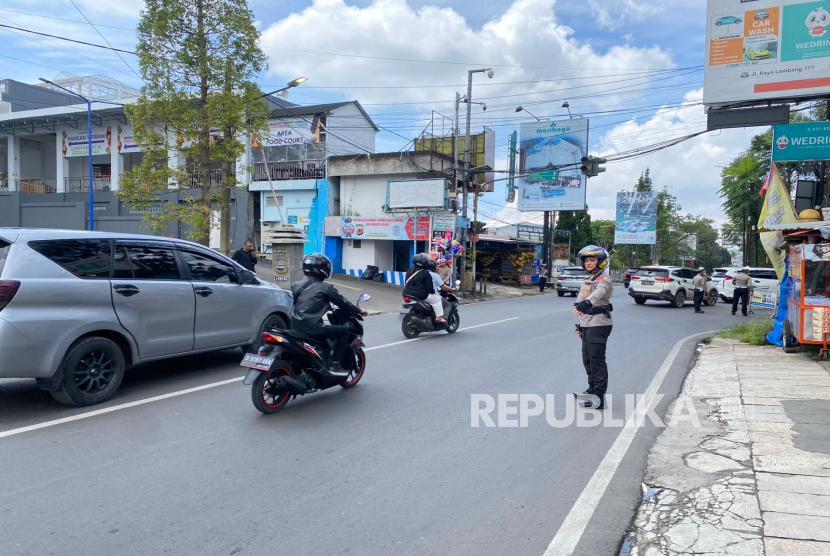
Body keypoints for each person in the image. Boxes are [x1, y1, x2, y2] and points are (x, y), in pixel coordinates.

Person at [289, 253, 368, 377]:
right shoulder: (326, 288)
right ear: (322, 269)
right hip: (314, 327)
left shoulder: (296, 285)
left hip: (295, 326)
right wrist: (358, 310)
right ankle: (335, 364)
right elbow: (343, 302)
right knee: (343, 332)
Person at [572, 245, 613, 410]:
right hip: (588, 324)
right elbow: (580, 304)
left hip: (599, 323)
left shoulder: (604, 279)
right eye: (586, 260)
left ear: (601, 262)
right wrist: (580, 325)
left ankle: (599, 398)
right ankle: (592, 390)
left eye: (592, 260)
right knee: (587, 359)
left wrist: (587, 303)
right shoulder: (589, 279)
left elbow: (598, 294)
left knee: (597, 361)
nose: (588, 263)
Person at [403, 253, 444, 323]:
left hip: (407, 293)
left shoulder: (409, 270)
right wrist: (433, 292)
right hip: (420, 295)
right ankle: (439, 317)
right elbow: (430, 289)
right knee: (437, 300)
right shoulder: (425, 273)